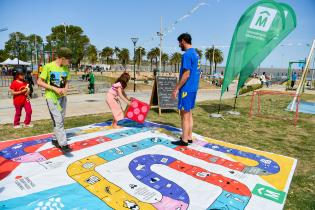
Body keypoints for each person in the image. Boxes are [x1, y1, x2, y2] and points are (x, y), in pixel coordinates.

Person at [37, 47, 72, 153]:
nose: (69, 62)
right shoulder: (48, 66)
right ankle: (63, 144)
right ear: (62, 58)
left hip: (62, 98)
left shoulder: (65, 68)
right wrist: (54, 88)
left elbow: (67, 82)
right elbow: (39, 82)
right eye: (68, 59)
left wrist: (65, 89)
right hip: (51, 98)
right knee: (59, 120)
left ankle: (55, 139)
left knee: (59, 119)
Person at [172, 33, 200, 146]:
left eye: (179, 42)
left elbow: (186, 74)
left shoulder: (187, 55)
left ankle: (184, 140)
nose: (179, 45)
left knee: (184, 114)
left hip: (186, 89)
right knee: (189, 113)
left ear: (183, 41)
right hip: (193, 88)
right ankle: (188, 137)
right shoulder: (196, 54)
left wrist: (176, 88)